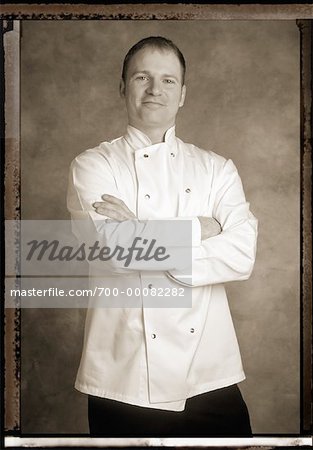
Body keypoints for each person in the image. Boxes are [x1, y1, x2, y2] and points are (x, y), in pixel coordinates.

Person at [67, 36, 258, 437]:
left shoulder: (217, 169)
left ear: (183, 94)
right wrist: (202, 229)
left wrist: (140, 229)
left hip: (210, 376)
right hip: (123, 378)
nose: (156, 90)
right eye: (143, 77)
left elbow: (241, 256)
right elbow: (115, 251)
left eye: (168, 80)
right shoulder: (92, 165)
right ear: (123, 88)